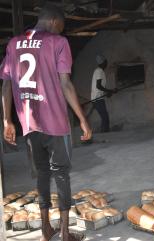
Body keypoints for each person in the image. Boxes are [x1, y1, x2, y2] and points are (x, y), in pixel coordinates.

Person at [0, 4, 91, 241]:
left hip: (29, 123)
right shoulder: (57, 42)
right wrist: (83, 119)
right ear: (53, 21)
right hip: (55, 122)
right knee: (61, 174)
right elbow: (65, 84)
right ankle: (64, 233)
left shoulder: (13, 44)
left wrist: (7, 120)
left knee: (41, 174)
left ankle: (45, 229)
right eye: (61, 26)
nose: (62, 31)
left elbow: (6, 84)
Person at [91, 54, 116, 132]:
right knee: (105, 117)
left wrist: (107, 93)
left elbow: (99, 88)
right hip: (97, 99)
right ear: (103, 62)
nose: (107, 63)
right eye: (106, 61)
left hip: (99, 98)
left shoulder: (100, 71)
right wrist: (110, 91)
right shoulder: (99, 71)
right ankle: (104, 134)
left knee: (104, 117)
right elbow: (98, 86)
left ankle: (104, 132)